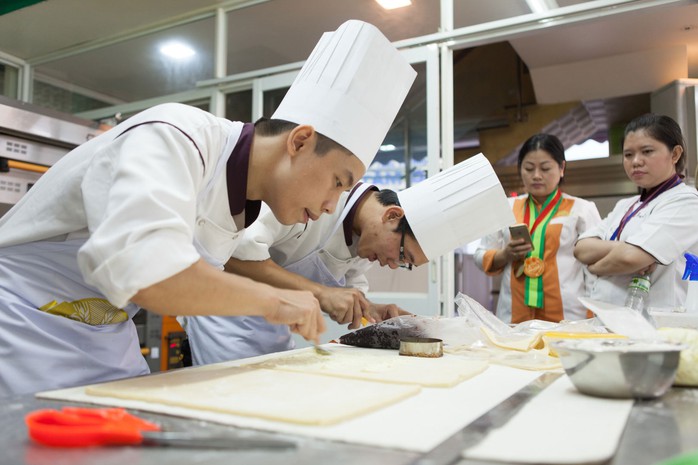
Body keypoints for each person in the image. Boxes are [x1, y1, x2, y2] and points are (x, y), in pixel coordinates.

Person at [0, 19, 417, 397]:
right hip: (23, 319)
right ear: (300, 141)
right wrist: (276, 300)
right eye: (338, 182)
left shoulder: (241, 200)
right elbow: (147, 270)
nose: (331, 206)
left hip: (106, 334)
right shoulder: (175, 136)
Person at [186, 153, 516, 364]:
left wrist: (373, 311)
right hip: (227, 319)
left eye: (404, 264)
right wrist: (322, 293)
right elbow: (236, 256)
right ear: (392, 215)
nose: (390, 265)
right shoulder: (321, 194)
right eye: (401, 254)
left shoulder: (364, 241)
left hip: (273, 326)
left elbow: (349, 291)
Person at [474, 133, 601, 324]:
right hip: (514, 314)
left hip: (568, 315)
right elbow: (480, 254)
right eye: (528, 168)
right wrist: (504, 255)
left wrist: (597, 314)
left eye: (545, 168)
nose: (536, 176)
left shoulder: (582, 209)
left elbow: (595, 267)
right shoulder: (505, 208)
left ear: (562, 168)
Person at [575, 114, 698, 309]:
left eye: (647, 151)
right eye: (628, 154)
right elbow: (581, 248)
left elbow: (630, 258)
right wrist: (628, 249)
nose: (636, 161)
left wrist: (595, 266)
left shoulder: (686, 202)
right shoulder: (626, 204)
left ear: (674, 154)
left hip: (656, 324)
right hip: (612, 319)